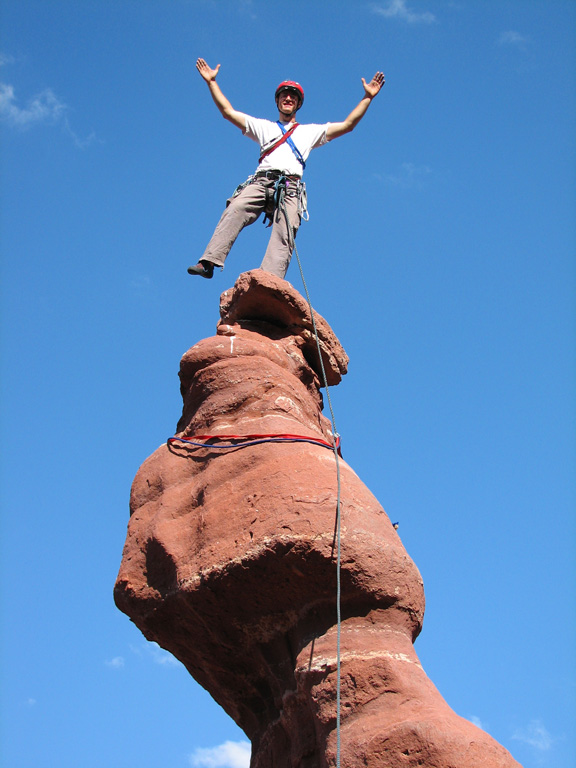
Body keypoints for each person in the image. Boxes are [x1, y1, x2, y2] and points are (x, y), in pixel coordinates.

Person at [188, 58, 385, 280]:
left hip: (290, 187)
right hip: (262, 181)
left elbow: (348, 125)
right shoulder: (264, 127)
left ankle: (269, 280)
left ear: (298, 104)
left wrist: (367, 97)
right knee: (236, 208)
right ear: (278, 101)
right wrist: (211, 82)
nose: (288, 98)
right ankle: (209, 262)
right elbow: (227, 112)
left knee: (286, 231)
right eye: (284, 95)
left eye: (293, 96)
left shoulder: (308, 132)